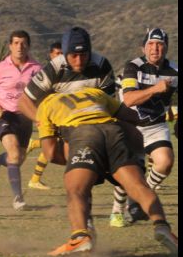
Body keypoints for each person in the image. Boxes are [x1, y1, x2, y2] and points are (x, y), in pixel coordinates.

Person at [29, 87, 178, 256]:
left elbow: (50, 154)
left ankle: (80, 236)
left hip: (84, 134)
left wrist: (80, 163)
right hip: (113, 131)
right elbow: (133, 118)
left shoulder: (46, 105)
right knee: (138, 186)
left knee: (76, 190)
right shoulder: (94, 92)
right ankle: (162, 227)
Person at [18, 27, 118, 227]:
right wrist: (41, 121)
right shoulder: (55, 68)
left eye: (84, 55)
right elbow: (24, 101)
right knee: (76, 174)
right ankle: (84, 226)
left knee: (85, 175)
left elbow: (109, 104)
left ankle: (91, 225)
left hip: (94, 129)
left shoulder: (101, 65)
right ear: (64, 53)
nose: (79, 61)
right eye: (74, 55)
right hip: (63, 128)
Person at [109, 28, 178, 227]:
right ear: (143, 47)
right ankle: (117, 211)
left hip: (156, 125)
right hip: (131, 125)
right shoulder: (133, 67)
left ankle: (140, 197)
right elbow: (129, 99)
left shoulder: (174, 72)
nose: (155, 48)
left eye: (160, 45)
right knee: (130, 173)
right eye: (151, 44)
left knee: (165, 162)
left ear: (166, 48)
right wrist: (156, 89)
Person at [0, 30, 42, 210]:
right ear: (10, 46)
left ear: (28, 46)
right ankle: (18, 198)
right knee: (14, 154)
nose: (19, 47)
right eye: (15, 43)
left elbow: (43, 93)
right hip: (5, 115)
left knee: (18, 158)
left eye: (23, 43)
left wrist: (40, 113)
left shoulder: (37, 69)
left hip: (26, 117)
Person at [25, 41, 64, 190]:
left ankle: (35, 178)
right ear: (51, 55)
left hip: (59, 113)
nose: (60, 56)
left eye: (62, 54)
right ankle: (34, 178)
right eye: (57, 54)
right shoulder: (46, 72)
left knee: (54, 143)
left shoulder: (65, 71)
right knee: (54, 143)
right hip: (48, 113)